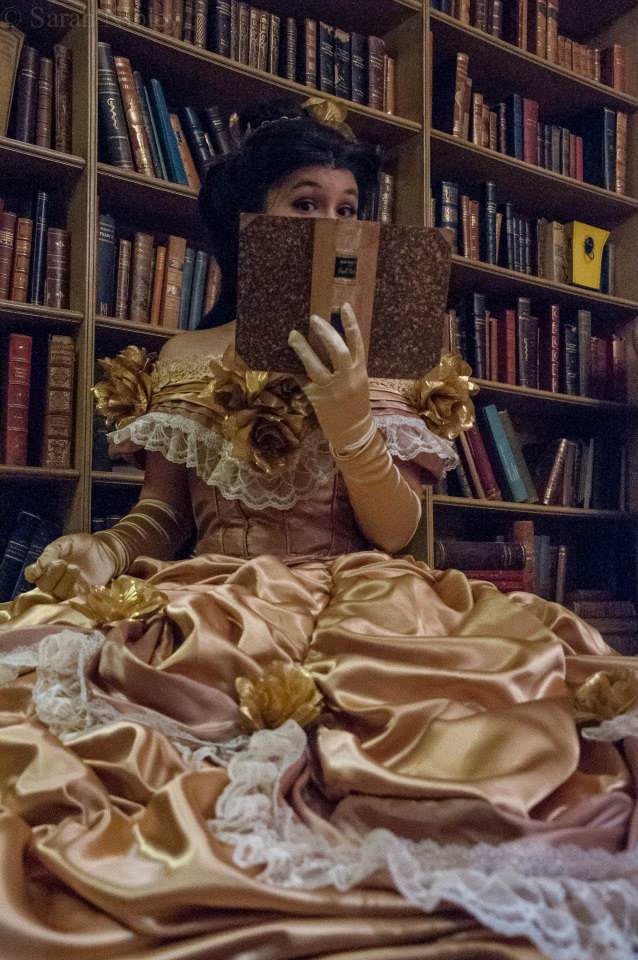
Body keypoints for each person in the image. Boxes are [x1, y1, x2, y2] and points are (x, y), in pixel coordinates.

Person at [0, 98, 636, 960]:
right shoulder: (186, 357)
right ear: (249, 222)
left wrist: (351, 419)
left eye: (348, 207)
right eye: (305, 204)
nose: (331, 223)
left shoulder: (396, 363)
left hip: (366, 596)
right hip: (215, 596)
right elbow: (163, 515)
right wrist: (105, 546)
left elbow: (398, 533)